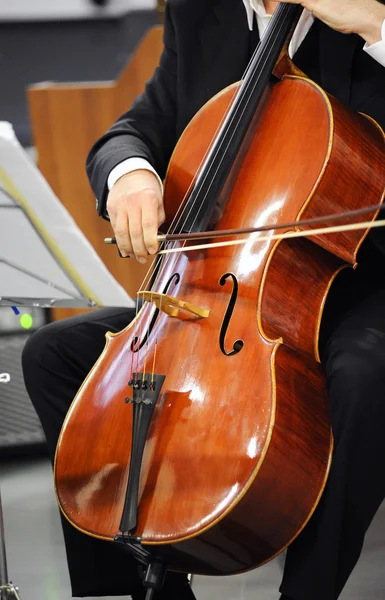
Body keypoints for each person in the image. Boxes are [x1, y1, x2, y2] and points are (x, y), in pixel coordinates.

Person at [22, 1, 385, 599]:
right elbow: (134, 128)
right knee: (54, 353)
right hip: (228, 291)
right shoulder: (203, 11)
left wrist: (374, 26)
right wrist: (131, 174)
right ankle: (143, 595)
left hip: (358, 282)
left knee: (365, 371)